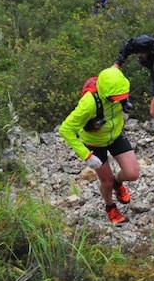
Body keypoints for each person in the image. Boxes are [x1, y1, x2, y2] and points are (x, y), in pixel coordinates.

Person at [59, 66, 140, 224]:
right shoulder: (88, 103)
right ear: (105, 93)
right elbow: (66, 129)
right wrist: (86, 155)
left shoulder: (118, 89)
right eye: (115, 98)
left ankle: (118, 181)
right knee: (106, 182)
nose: (119, 100)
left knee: (133, 173)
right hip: (94, 142)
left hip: (114, 135)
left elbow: (120, 60)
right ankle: (110, 207)